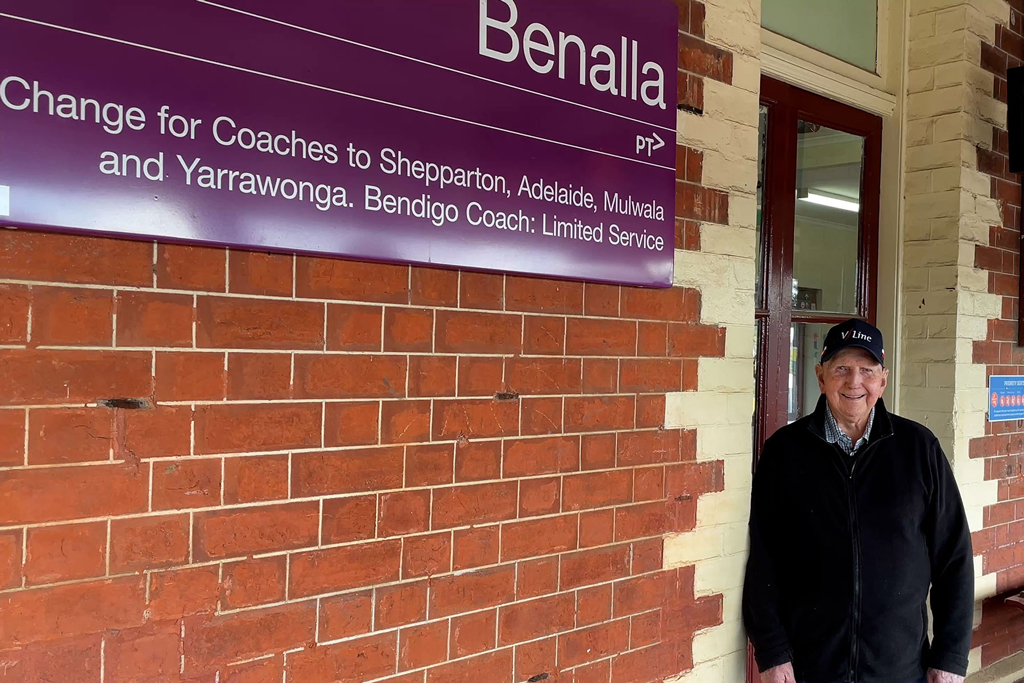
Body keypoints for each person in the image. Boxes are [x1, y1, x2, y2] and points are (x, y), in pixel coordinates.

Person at [742, 319, 973, 683]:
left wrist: (950, 657)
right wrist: (771, 653)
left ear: (882, 381)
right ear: (821, 377)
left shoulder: (918, 448)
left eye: (867, 371)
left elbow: (954, 557)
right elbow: (764, 561)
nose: (854, 382)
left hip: (900, 668)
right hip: (810, 668)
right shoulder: (784, 452)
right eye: (842, 369)